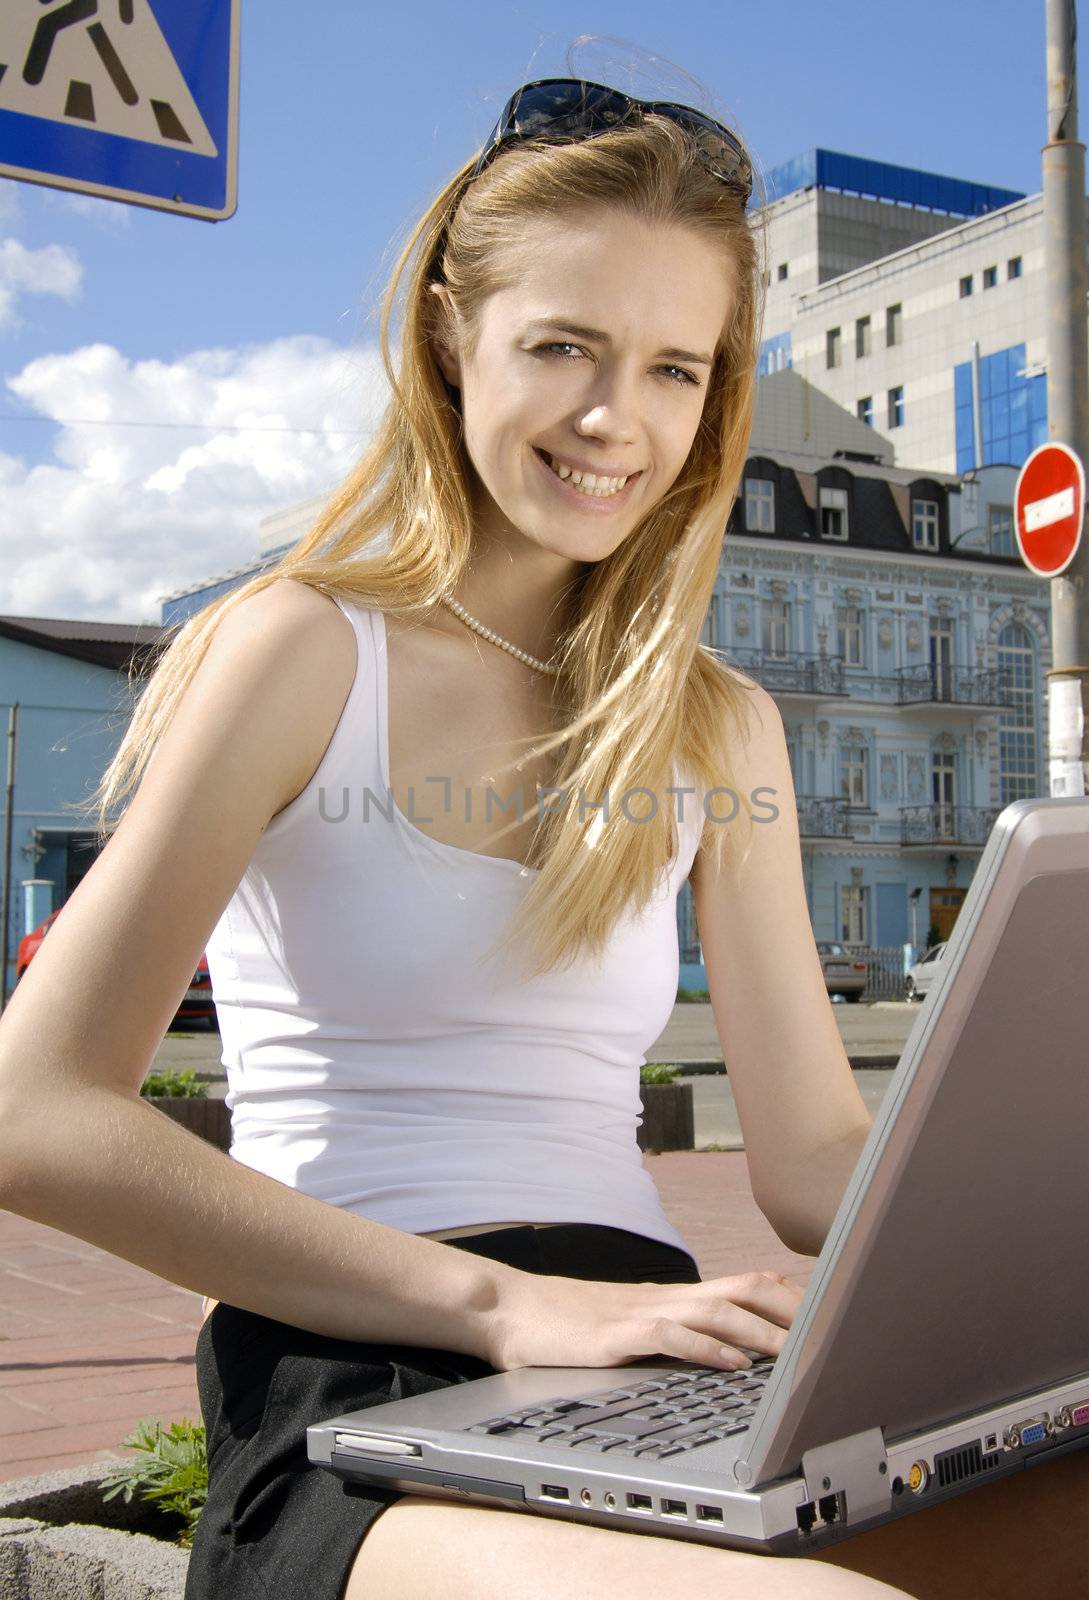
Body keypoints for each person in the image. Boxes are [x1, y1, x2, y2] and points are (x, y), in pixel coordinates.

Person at [1, 75, 1084, 1600]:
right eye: (562, 347)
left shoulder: (716, 725)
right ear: (451, 338)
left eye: (671, 369)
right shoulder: (303, 651)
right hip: (360, 1396)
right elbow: (33, 1114)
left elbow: (813, 1157)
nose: (611, 420)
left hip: (656, 1358)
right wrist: (505, 1304)